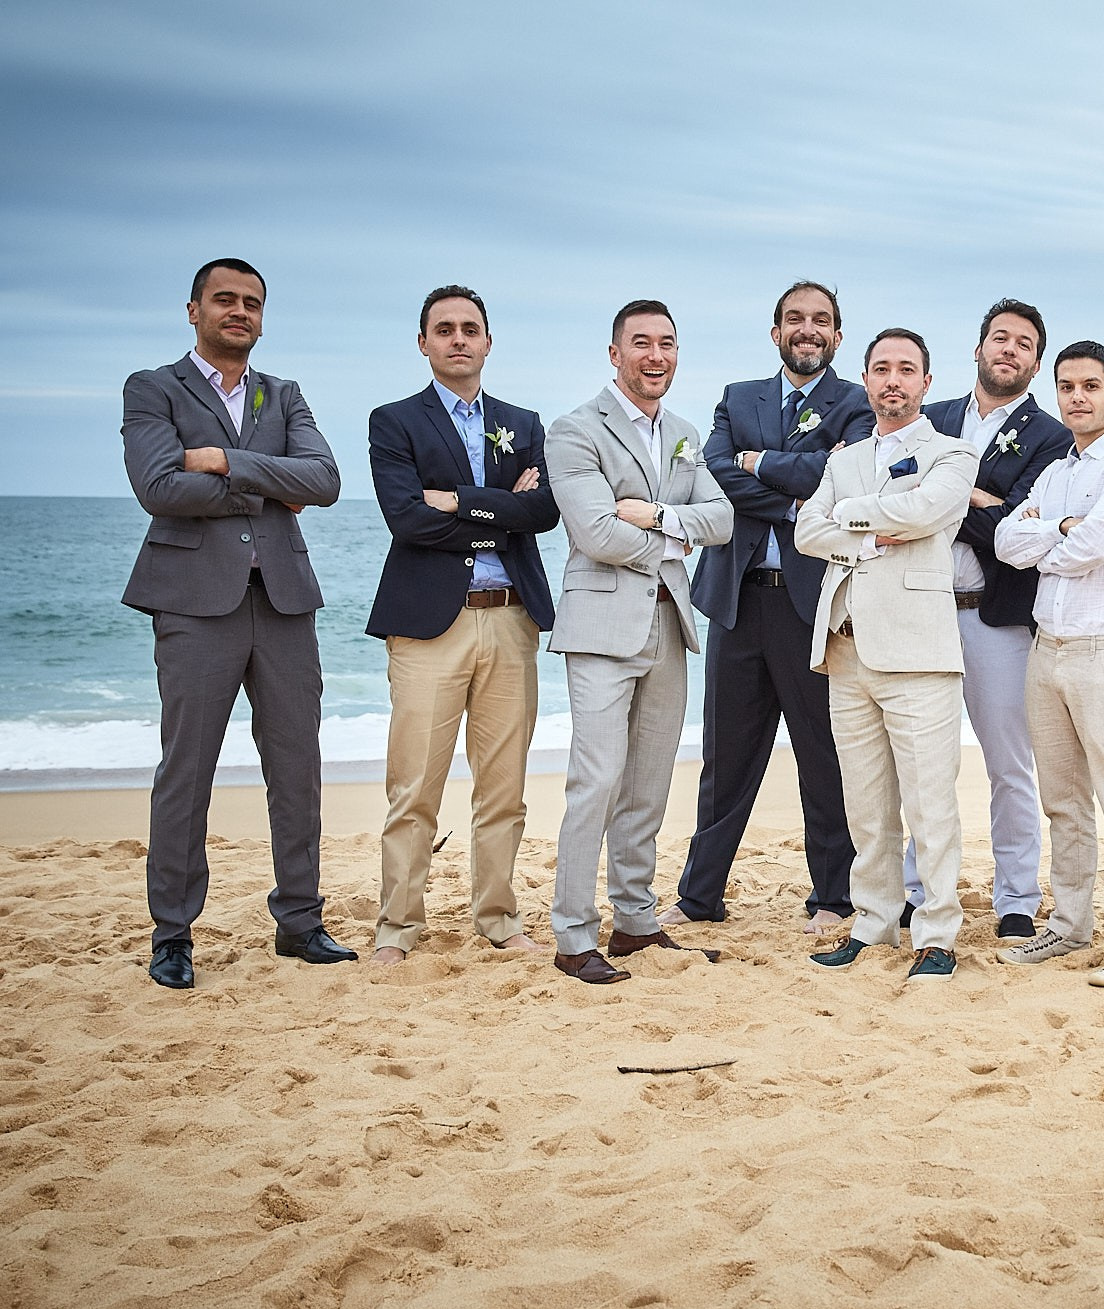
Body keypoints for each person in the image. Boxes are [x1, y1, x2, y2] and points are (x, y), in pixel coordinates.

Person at [122, 258, 349, 990]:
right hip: (191, 602)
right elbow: (157, 486)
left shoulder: (284, 394)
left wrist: (224, 461)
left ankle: (300, 920)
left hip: (283, 601)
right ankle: (173, 933)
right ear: (193, 309)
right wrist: (264, 481)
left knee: (297, 766)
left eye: (252, 302)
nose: (239, 311)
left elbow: (324, 480)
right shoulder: (152, 387)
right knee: (186, 770)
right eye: (225, 299)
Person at [664, 282, 872, 934]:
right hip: (737, 601)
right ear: (776, 330)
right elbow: (715, 478)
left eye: (821, 321)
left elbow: (841, 482)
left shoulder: (856, 404)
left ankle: (834, 897)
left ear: (837, 336)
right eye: (794, 319)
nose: (807, 329)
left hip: (812, 609)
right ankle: (700, 897)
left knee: (823, 756)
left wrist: (763, 465)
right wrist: (793, 491)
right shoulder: (736, 399)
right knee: (725, 761)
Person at [364, 286, 559, 964]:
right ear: (423, 342)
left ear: (488, 341)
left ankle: (499, 916)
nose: (458, 338)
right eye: (443, 329)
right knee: (414, 785)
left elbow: (543, 515)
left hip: (510, 620)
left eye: (470, 328)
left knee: (503, 786)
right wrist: (499, 506)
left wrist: (459, 501)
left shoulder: (523, 421)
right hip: (428, 627)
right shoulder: (394, 422)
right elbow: (406, 519)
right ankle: (396, 927)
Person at [546, 300, 733, 985]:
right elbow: (595, 533)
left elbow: (723, 516)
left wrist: (657, 516)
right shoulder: (574, 430)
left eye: (667, 344)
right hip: (600, 627)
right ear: (615, 352)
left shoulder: (683, 433)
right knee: (595, 780)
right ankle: (572, 934)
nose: (656, 355)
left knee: (649, 785)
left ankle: (634, 921)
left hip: (668, 622)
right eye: (641, 343)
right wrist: (676, 538)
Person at [796, 329, 978, 980]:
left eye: (906, 369)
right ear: (867, 380)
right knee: (866, 804)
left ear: (927, 382)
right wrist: (867, 534)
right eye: (881, 369)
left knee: (930, 803)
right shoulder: (842, 459)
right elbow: (806, 530)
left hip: (919, 654)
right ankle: (874, 924)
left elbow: (926, 511)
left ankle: (938, 934)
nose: (892, 379)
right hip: (846, 651)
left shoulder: (953, 453)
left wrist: (850, 513)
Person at [993, 340, 1104, 986]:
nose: (1077, 397)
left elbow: (1096, 546)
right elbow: (1006, 541)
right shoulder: (1055, 471)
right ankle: (1068, 927)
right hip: (1049, 649)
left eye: (1090, 386)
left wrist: (1057, 533)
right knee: (1062, 801)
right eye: (1067, 386)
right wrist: (1061, 528)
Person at [904, 298, 1069, 942]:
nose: (1009, 349)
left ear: (1034, 361)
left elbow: (1017, 526)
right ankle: (919, 889)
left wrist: (948, 498)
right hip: (920, 612)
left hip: (996, 618)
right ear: (978, 348)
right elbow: (899, 497)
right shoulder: (932, 417)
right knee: (924, 762)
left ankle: (1017, 897)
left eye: (1023, 343)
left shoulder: (1052, 438)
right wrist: (978, 500)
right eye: (999, 338)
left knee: (1010, 762)